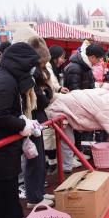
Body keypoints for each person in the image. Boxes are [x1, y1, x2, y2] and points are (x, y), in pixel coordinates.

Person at [0, 42, 40, 218]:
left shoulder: (6, 76)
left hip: (2, 150)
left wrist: (23, 120)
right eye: (30, 65)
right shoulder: (5, 81)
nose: (32, 69)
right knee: (4, 201)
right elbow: (0, 116)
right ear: (21, 63)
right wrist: (23, 124)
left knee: (9, 197)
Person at [46, 88, 109, 154]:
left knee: (68, 141)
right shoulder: (105, 108)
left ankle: (67, 163)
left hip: (66, 105)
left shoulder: (106, 95)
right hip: (60, 109)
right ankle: (66, 167)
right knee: (68, 141)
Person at [23, 36, 55, 208]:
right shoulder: (30, 75)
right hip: (32, 120)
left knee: (38, 158)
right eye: (43, 62)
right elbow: (41, 100)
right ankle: (34, 197)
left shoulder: (36, 74)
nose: (45, 66)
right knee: (34, 159)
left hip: (36, 119)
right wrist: (46, 94)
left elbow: (45, 95)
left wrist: (46, 93)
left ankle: (38, 193)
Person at [64, 44, 104, 160]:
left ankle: (78, 152)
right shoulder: (75, 68)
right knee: (76, 130)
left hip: (83, 102)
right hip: (77, 104)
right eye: (98, 59)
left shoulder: (85, 66)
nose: (98, 62)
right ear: (91, 57)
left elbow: (89, 85)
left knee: (79, 130)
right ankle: (75, 154)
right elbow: (74, 90)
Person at [44, 45, 70, 174]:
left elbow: (52, 85)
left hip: (51, 103)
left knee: (51, 135)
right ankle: (51, 163)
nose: (63, 60)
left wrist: (59, 88)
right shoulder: (46, 67)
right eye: (61, 57)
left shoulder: (51, 68)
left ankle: (52, 162)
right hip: (48, 105)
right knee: (48, 135)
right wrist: (59, 93)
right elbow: (49, 88)